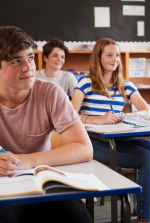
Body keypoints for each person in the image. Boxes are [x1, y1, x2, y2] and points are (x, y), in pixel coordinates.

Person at [0, 26, 93, 223]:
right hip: (2, 188)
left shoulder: (51, 92)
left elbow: (84, 148)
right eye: (16, 61)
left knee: (80, 218)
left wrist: (27, 160)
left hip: (40, 180)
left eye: (31, 58)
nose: (28, 68)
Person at [71, 38, 150, 223]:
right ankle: (145, 218)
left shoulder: (125, 85)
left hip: (120, 138)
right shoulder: (85, 82)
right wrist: (98, 120)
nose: (115, 59)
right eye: (109, 55)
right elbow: (70, 116)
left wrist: (125, 117)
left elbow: (146, 111)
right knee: (149, 159)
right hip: (93, 141)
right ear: (98, 58)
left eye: (117, 55)